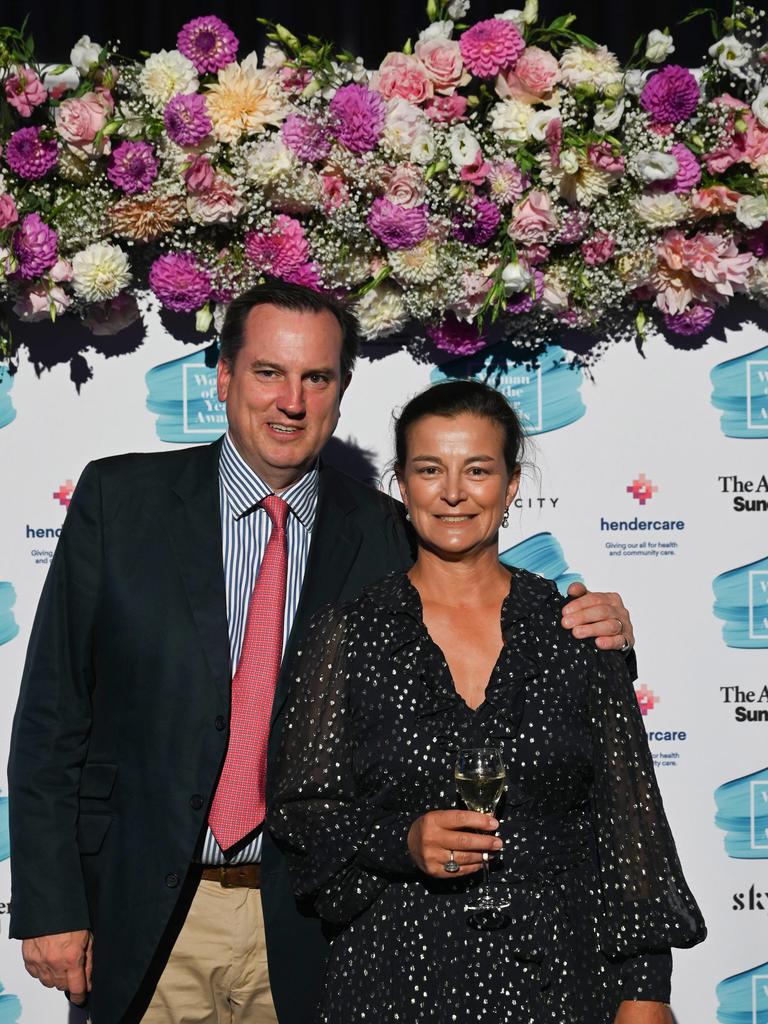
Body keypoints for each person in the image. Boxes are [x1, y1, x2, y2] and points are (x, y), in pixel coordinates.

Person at [9, 281, 637, 1024]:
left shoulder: (386, 530)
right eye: (269, 372)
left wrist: (598, 625)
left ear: (341, 391)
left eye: (317, 378)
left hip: (313, 923)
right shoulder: (120, 501)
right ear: (223, 377)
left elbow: (481, 620)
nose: (291, 401)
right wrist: (50, 903)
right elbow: (54, 715)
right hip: (145, 913)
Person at [269, 379, 706, 1024]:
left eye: (477, 470)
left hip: (560, 976)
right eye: (429, 470)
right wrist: (402, 841)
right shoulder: (349, 633)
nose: (453, 492)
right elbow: (302, 810)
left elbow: (629, 820)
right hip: (395, 974)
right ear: (401, 484)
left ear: (512, 485)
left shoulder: (579, 630)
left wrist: (646, 988)